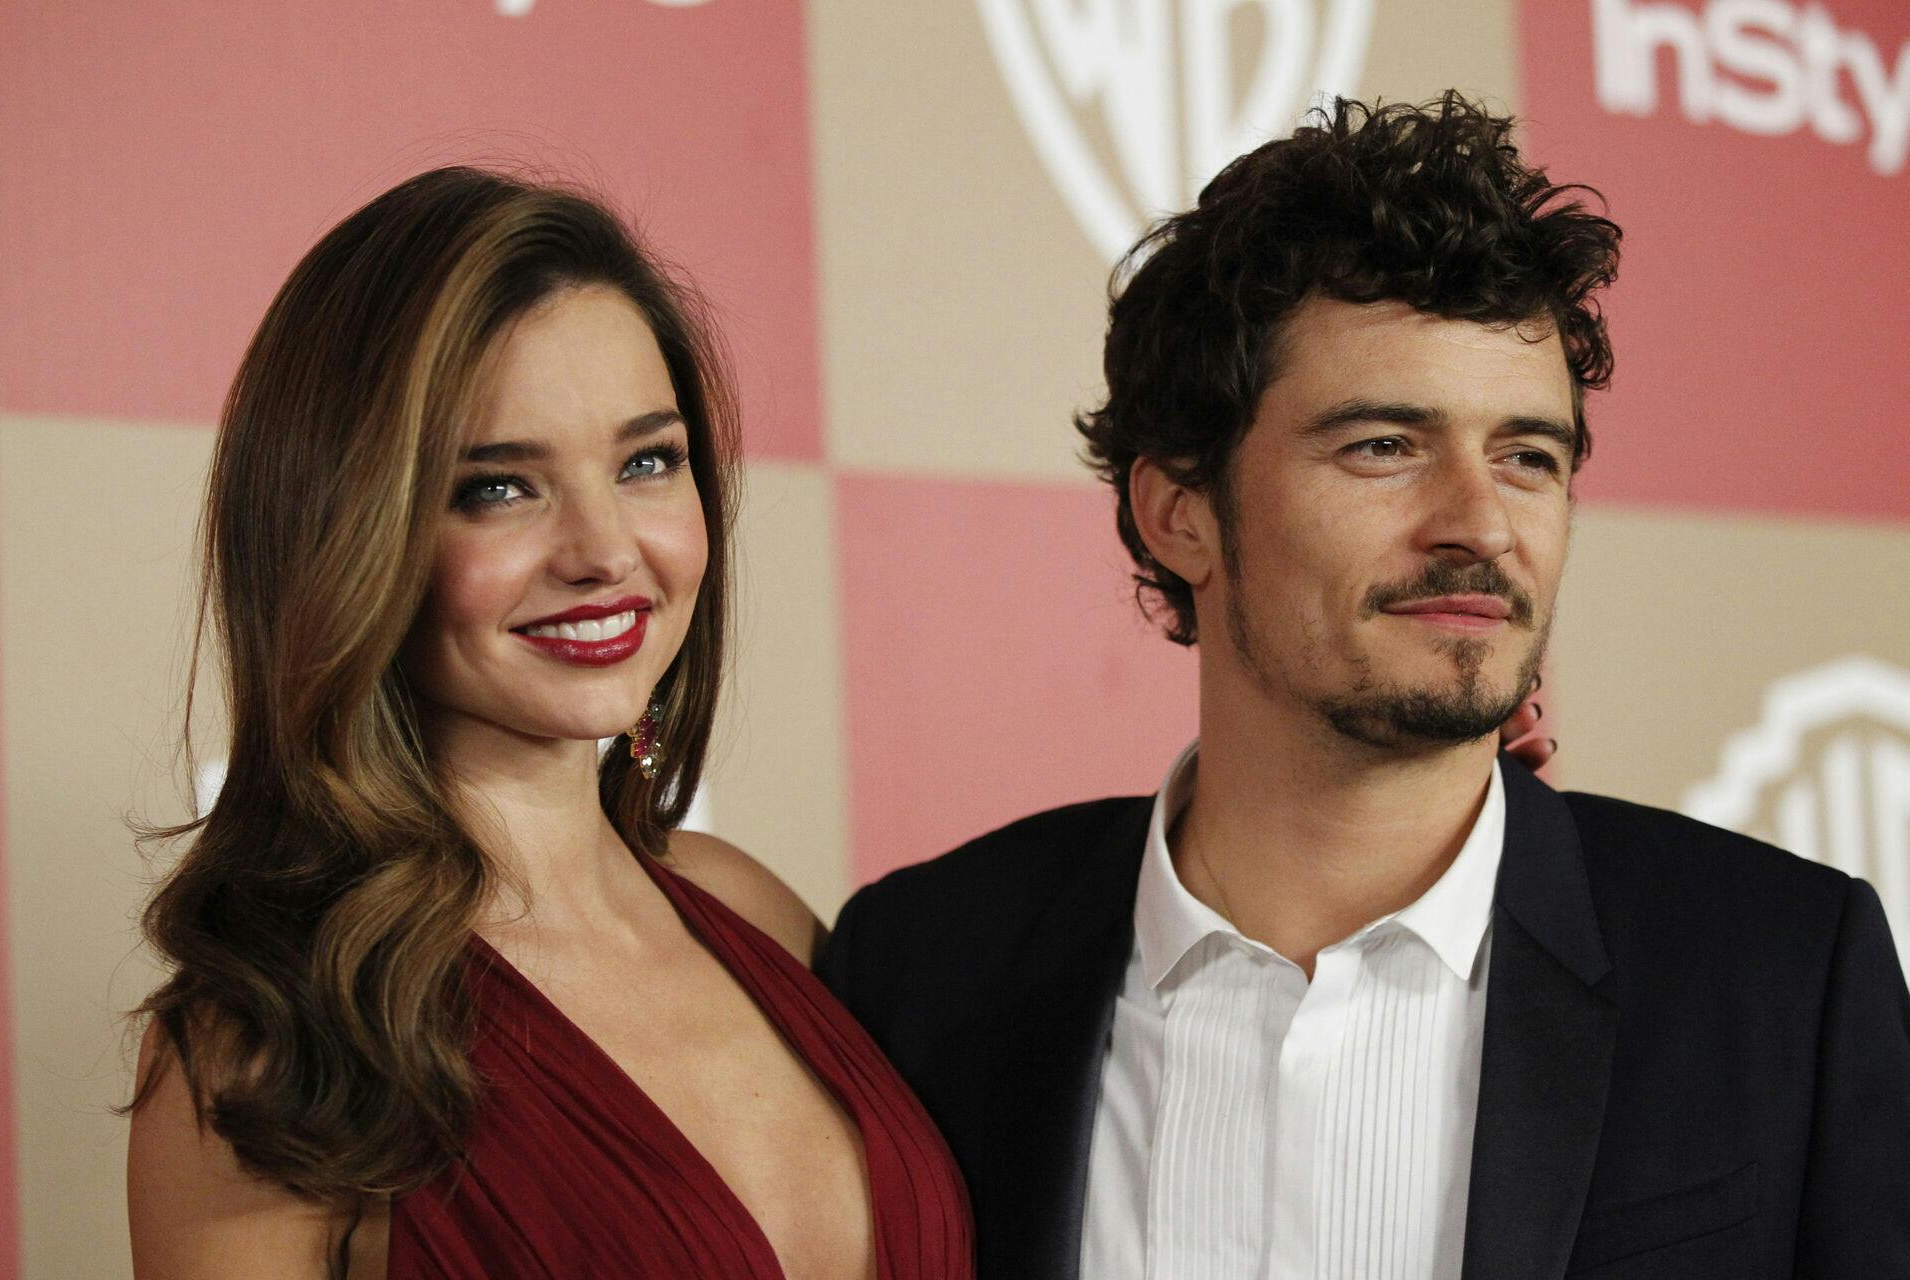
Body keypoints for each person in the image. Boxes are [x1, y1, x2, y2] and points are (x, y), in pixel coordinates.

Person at [819, 94, 1910, 1279]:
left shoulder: (1777, 972)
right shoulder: (928, 970)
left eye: (1527, 456)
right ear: (1178, 510)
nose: (1482, 523)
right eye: (1384, 445)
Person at [126, 167, 974, 1279]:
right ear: (347, 529)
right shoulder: (269, 1037)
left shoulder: (753, 910)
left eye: (647, 461)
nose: (605, 549)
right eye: (498, 487)